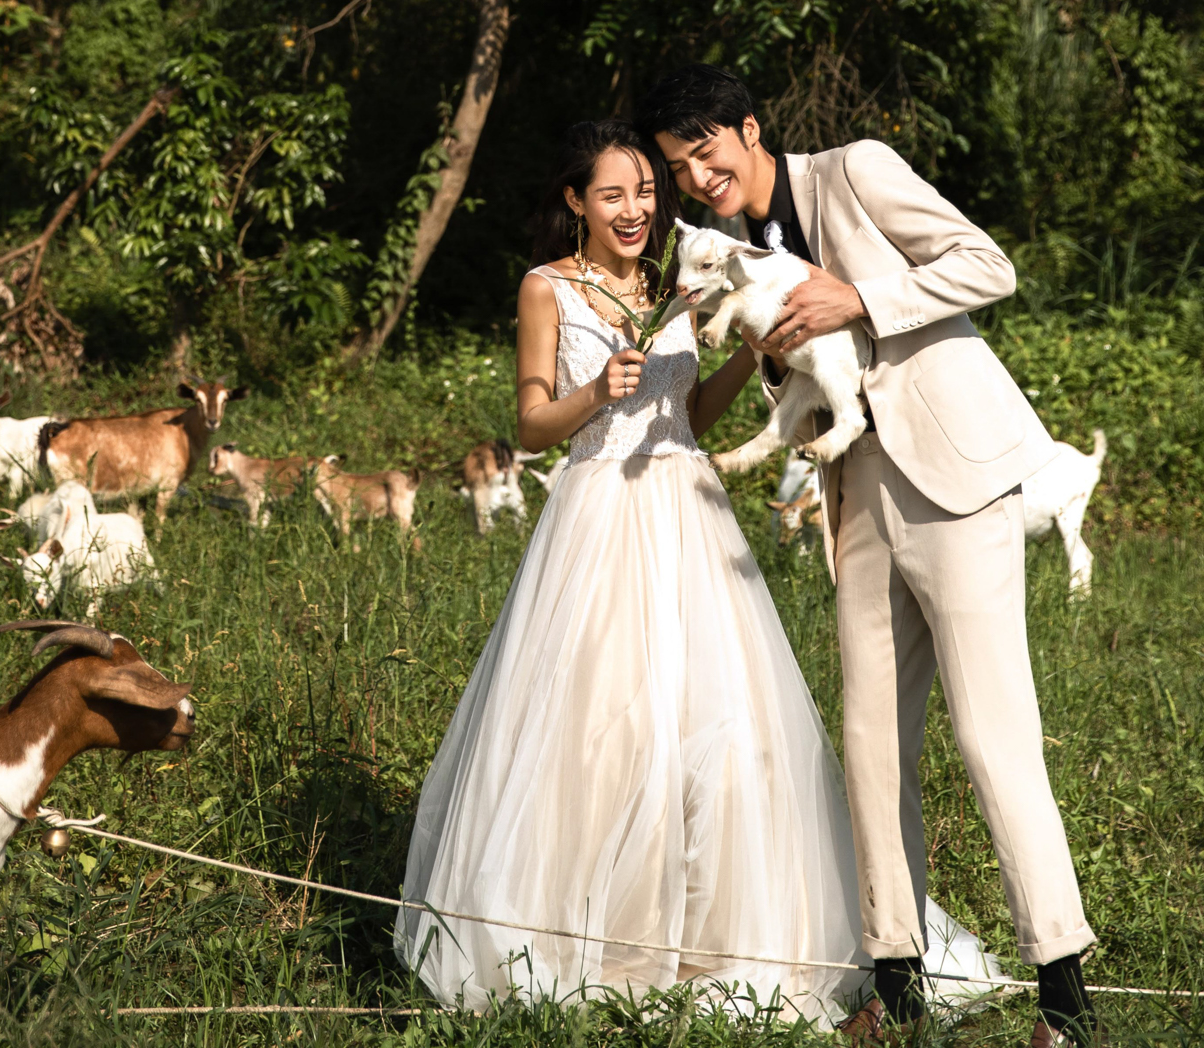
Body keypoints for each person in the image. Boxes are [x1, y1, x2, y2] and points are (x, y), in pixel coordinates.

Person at [394, 118, 996, 1024]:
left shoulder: (681, 281)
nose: (634, 209)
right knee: (601, 728)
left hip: (687, 508)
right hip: (598, 519)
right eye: (612, 195)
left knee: (721, 729)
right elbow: (529, 426)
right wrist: (595, 392)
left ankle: (718, 933)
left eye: (645, 191)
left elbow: (690, 414)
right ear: (576, 202)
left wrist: (751, 358)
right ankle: (592, 933)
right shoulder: (545, 288)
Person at [641, 64, 1097, 1047]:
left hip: (956, 479)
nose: (698, 178)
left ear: (748, 129)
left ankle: (1065, 997)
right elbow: (798, 382)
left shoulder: (854, 170)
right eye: (678, 167)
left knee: (992, 736)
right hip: (854, 491)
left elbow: (987, 265)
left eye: (705, 152)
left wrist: (856, 297)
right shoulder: (725, 252)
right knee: (869, 747)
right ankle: (897, 985)